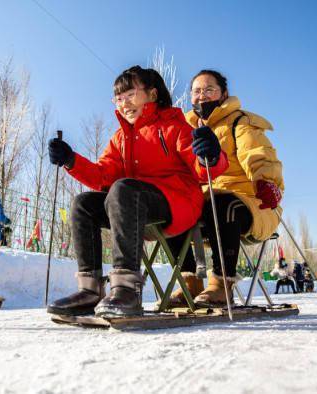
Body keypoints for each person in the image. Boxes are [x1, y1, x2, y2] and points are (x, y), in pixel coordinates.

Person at [46, 65, 228, 317]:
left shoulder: (174, 126)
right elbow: (102, 176)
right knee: (83, 203)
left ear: (152, 95)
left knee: (123, 189)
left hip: (178, 203)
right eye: (119, 98)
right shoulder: (121, 137)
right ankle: (90, 290)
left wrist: (211, 154)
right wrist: (70, 160)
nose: (124, 103)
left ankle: (127, 289)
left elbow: (203, 169)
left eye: (130, 95)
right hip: (132, 206)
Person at [169, 69, 284, 307]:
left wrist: (266, 183)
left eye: (209, 90)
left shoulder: (239, 122)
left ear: (223, 94)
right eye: (197, 91)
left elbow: (257, 155)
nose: (202, 96)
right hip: (202, 203)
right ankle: (189, 283)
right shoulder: (185, 129)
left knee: (220, 203)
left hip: (250, 201)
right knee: (171, 207)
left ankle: (222, 284)